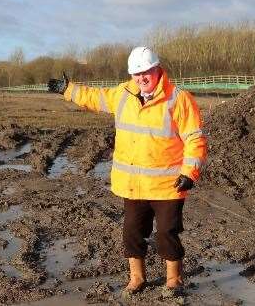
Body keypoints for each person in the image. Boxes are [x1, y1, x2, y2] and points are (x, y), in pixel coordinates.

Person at [47, 46, 207, 297]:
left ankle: (174, 279)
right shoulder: (123, 94)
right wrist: (69, 90)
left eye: (146, 72)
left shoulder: (178, 99)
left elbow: (194, 138)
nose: (142, 78)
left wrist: (190, 172)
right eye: (136, 73)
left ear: (157, 69)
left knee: (167, 232)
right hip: (133, 184)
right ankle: (137, 277)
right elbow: (96, 97)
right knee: (132, 232)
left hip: (168, 185)